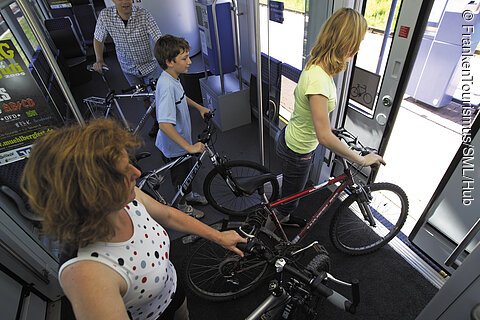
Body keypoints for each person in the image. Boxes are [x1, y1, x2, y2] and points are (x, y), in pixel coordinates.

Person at [21, 119, 246, 320]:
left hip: (173, 291)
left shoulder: (125, 197)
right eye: (122, 173)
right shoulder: (86, 274)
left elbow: (167, 214)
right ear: (90, 195)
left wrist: (217, 236)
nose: (137, 174)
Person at [274, 8, 386, 226]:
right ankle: (265, 239)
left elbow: (312, 114)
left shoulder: (316, 64)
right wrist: (361, 159)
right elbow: (324, 137)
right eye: (357, 41)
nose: (358, 48)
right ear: (346, 43)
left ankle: (283, 216)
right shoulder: (319, 80)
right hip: (298, 150)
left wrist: (323, 126)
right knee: (289, 200)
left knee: (290, 190)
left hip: (292, 136)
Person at [153, 35, 211, 219]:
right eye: (184, 58)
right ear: (170, 62)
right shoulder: (167, 86)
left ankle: (189, 194)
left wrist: (199, 107)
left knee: (188, 172)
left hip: (182, 142)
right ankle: (182, 204)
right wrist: (189, 147)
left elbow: (182, 97)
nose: (190, 61)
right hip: (175, 148)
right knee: (181, 177)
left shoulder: (173, 78)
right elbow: (163, 124)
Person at [93, 0, 161, 137]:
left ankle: (164, 125)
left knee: (158, 98)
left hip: (149, 66)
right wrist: (99, 60)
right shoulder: (105, 16)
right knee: (143, 99)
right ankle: (156, 122)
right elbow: (98, 38)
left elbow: (159, 39)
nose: (125, 1)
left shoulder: (144, 15)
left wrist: (168, 58)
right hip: (128, 68)